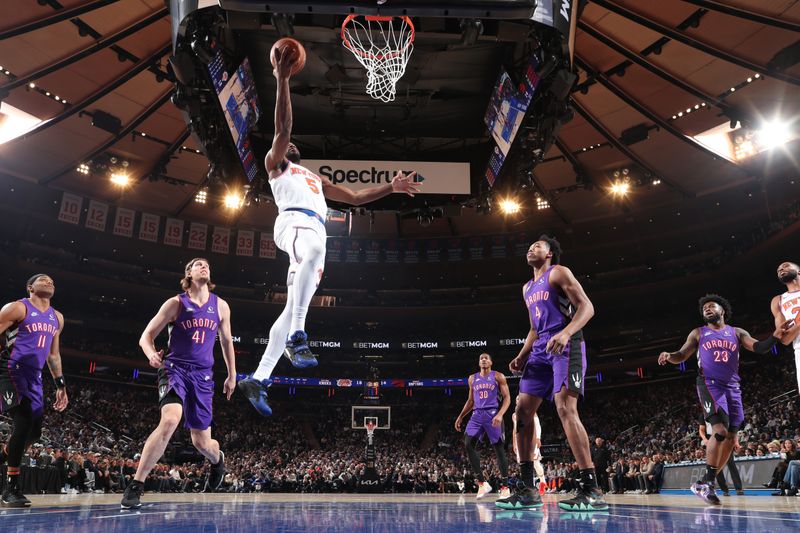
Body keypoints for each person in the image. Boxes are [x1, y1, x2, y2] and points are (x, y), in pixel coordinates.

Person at [238, 42, 420, 417]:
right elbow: (283, 127)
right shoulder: (277, 165)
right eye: (288, 146)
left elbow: (354, 196)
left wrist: (390, 187)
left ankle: (259, 377)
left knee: (291, 305)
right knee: (314, 259)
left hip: (314, 229)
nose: (292, 147)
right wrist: (283, 79)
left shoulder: (316, 178)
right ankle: (299, 338)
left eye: (293, 147)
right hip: (293, 221)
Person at [497, 235, 607, 511]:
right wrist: (522, 355)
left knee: (565, 407)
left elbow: (587, 307)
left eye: (537, 245)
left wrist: (566, 332)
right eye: (530, 246)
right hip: (540, 349)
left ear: (549, 254)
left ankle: (591, 487)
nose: (531, 248)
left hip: (566, 344)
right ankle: (527, 489)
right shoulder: (526, 288)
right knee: (521, 411)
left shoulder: (559, 272)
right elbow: (534, 328)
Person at [121, 258, 237, 509]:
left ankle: (217, 461)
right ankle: (137, 484)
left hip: (203, 375)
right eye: (198, 264)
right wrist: (151, 353)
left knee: (201, 443)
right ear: (189, 274)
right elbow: (146, 336)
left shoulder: (221, 306)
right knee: (171, 419)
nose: (204, 266)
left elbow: (227, 342)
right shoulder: (176, 303)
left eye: (207, 264)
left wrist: (232, 374)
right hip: (175, 369)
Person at [658, 293, 791, 505]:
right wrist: (669, 355)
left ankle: (704, 482)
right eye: (704, 309)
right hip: (709, 383)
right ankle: (708, 483)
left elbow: (759, 348)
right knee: (719, 431)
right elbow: (681, 355)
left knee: (731, 436)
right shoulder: (699, 333)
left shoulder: (736, 332)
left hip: (733, 386)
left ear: (723, 310)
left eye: (711, 307)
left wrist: (774, 336)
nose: (707, 310)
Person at [0, 274, 68, 507]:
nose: (49, 281)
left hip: (35, 376)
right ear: (30, 287)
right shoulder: (18, 308)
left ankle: (5, 456)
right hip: (11, 369)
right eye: (43, 279)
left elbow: (53, 355)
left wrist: (60, 384)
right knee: (24, 419)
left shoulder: (56, 318)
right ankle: (11, 488)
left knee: (35, 433)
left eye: (52, 280)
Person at [454, 353, 512, 500]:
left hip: (493, 413)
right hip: (476, 415)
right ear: (479, 363)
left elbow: (507, 398)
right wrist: (461, 416)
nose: (484, 360)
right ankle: (482, 483)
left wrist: (500, 414)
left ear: (491, 362)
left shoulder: (498, 376)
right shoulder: (472, 378)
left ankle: (505, 487)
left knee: (498, 449)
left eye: (486, 358)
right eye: (481, 358)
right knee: (468, 444)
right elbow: (470, 400)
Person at [771, 261, 800, 393]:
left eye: (786, 265)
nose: (781, 268)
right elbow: (785, 339)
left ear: (798, 271)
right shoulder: (778, 300)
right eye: (778, 269)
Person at [699, 420, 743, 496]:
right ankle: (725, 490)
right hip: (712, 439)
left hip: (724, 437)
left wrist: (736, 442)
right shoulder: (703, 415)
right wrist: (705, 439)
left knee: (731, 463)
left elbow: (732, 429)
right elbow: (701, 429)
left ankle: (739, 488)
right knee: (715, 466)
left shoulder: (722, 411)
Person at [511, 407, 546, 493]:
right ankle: (529, 486)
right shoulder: (514, 415)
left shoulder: (531, 410)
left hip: (531, 438)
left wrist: (538, 437)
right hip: (520, 440)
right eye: (517, 400)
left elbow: (537, 424)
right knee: (523, 463)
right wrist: (514, 442)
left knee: (535, 462)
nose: (518, 401)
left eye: (519, 399)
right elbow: (515, 429)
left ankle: (542, 481)